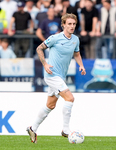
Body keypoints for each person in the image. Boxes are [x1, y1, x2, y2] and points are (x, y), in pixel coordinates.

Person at [26, 13, 86, 143]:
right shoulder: (55, 38)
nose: (72, 26)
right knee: (70, 98)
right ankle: (65, 130)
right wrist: (45, 64)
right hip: (52, 75)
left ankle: (33, 128)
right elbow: (39, 48)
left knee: (50, 105)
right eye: (69, 24)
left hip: (61, 77)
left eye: (74, 24)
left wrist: (81, 65)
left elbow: (77, 53)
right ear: (63, 24)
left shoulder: (75, 39)